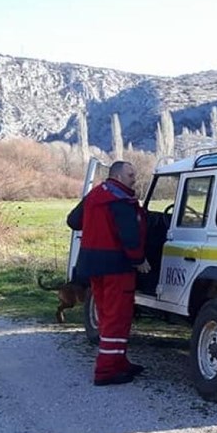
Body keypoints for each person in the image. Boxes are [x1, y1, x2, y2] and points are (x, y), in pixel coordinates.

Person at [67, 161, 151, 386]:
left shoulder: (96, 195)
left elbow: (73, 221)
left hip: (93, 266)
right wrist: (139, 260)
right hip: (117, 268)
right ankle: (105, 371)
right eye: (131, 174)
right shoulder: (121, 200)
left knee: (106, 314)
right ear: (119, 176)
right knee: (117, 317)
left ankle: (119, 362)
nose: (135, 178)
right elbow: (130, 236)